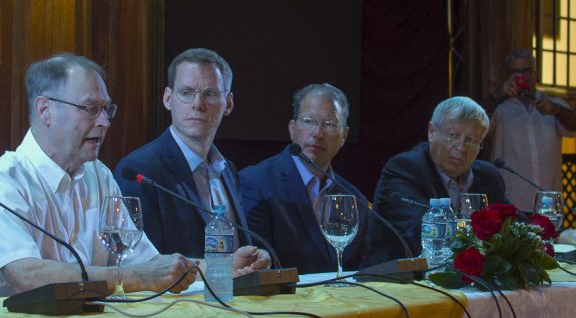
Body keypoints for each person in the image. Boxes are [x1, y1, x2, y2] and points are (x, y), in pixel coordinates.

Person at [0, 53, 267, 300]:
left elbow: (152, 262)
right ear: (45, 110)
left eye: (107, 110)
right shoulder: (1, 182)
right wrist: (136, 278)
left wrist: (222, 269)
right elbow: (26, 276)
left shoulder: (98, 176)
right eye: (90, 109)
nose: (104, 122)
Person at [115, 48, 257, 260]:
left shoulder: (228, 170)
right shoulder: (140, 171)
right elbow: (143, 263)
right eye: (186, 93)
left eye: (210, 94)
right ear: (168, 98)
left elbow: (236, 253)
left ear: (228, 103)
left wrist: (254, 259)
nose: (197, 105)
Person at [239, 83, 369, 274]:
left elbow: (363, 269)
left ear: (344, 136)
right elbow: (258, 265)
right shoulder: (256, 182)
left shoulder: (355, 199)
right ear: (292, 128)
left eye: (330, 124)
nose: (318, 133)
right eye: (308, 121)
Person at [368, 96, 508, 265]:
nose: (461, 147)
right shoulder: (404, 169)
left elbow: (511, 226)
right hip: (401, 281)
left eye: (471, 140)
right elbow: (421, 232)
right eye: (453, 135)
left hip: (472, 281)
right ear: (432, 132)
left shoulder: (488, 176)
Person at [488, 49, 576, 210]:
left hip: (548, 202)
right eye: (515, 72)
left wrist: (556, 110)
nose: (521, 76)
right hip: (511, 201)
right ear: (507, 75)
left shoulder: (552, 104)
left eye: (526, 71)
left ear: (534, 73)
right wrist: (497, 97)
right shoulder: (500, 108)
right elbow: (478, 128)